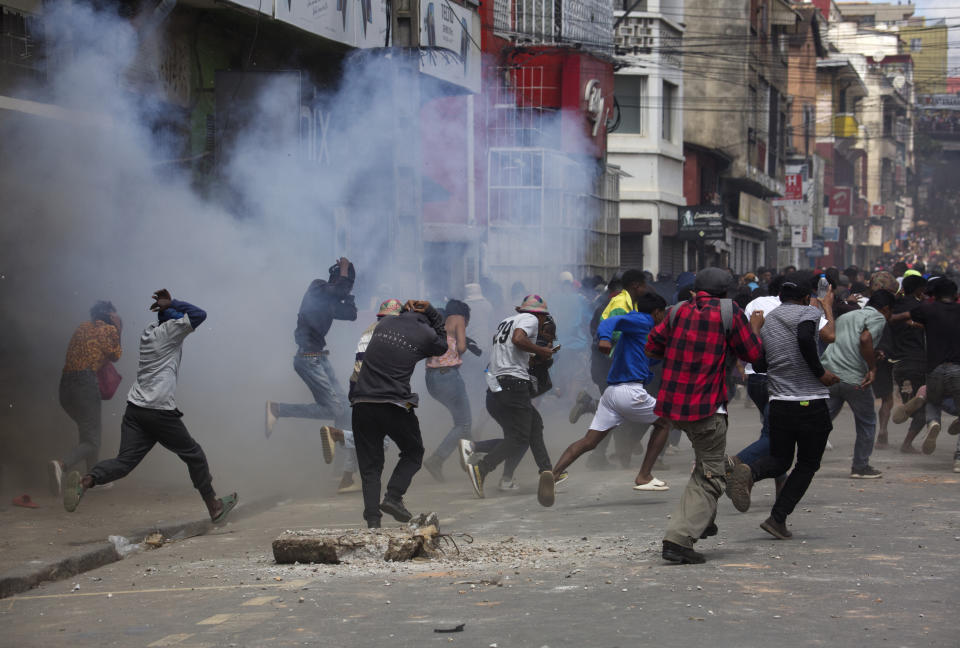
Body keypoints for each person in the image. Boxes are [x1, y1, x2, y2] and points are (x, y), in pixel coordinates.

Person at [62, 290, 237, 523]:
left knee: (124, 463)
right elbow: (199, 314)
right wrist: (173, 303)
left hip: (135, 409)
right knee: (194, 455)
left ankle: (87, 481)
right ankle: (213, 505)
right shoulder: (171, 331)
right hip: (159, 411)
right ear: (174, 321)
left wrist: (167, 308)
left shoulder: (148, 331)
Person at [645, 267, 764, 564]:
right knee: (711, 475)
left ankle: (705, 520)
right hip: (706, 407)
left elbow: (652, 346)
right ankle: (679, 540)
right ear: (726, 292)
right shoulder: (729, 312)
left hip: (674, 407)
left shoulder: (676, 312)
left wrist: (680, 354)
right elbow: (753, 353)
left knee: (705, 464)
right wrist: (755, 327)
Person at [727, 275, 841, 538]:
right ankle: (777, 519)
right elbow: (806, 337)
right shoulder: (807, 312)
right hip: (809, 401)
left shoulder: (769, 321)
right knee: (808, 464)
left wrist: (756, 330)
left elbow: (761, 364)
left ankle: (751, 472)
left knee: (780, 460)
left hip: (779, 404)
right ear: (804, 298)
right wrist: (820, 372)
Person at [545, 293, 672, 501]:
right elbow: (611, 321)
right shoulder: (643, 320)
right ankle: (644, 476)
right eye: (662, 314)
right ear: (657, 312)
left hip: (612, 393)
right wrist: (604, 340)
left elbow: (647, 359)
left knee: (589, 441)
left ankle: (554, 472)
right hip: (629, 391)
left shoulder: (643, 332)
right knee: (665, 422)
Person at [350, 300, 448, 528]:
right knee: (414, 451)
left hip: (362, 402)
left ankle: (373, 522)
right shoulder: (425, 334)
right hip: (394, 403)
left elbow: (359, 363)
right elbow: (442, 346)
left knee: (370, 466)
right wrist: (433, 313)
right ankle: (393, 497)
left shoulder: (383, 325)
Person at [465, 295, 556, 503]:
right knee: (519, 438)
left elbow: (511, 349)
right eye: (544, 318)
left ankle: (547, 471)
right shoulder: (531, 319)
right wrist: (541, 350)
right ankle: (482, 468)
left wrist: (533, 357)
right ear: (540, 315)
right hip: (514, 383)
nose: (543, 323)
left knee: (535, 424)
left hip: (497, 383)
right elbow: (518, 339)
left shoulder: (506, 321)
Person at [265, 257, 357, 439]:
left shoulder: (330, 302)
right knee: (336, 410)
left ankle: (342, 456)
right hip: (307, 358)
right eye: (347, 281)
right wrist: (345, 270)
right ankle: (278, 409)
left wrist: (349, 295)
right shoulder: (317, 287)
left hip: (318, 357)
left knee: (345, 409)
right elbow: (339, 290)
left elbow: (351, 314)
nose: (348, 286)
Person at [319, 298, 403, 495]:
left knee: (366, 434)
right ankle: (337, 434)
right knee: (381, 441)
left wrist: (353, 392)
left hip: (361, 390)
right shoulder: (392, 337)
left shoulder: (369, 333)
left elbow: (358, 366)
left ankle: (347, 479)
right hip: (381, 392)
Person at [570, 270, 648, 469]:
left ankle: (605, 454)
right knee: (618, 408)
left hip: (601, 366)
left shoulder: (603, 306)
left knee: (615, 408)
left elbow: (594, 332)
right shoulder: (620, 306)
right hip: (614, 367)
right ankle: (617, 451)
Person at [49, 301, 123, 495]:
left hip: (66, 386)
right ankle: (61, 464)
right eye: (115, 314)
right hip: (85, 384)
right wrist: (119, 328)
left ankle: (94, 479)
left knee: (89, 434)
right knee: (92, 440)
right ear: (109, 314)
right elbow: (116, 355)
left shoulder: (82, 327)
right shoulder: (108, 329)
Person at [821, 289, 895, 479]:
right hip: (854, 377)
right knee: (867, 422)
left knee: (821, 420)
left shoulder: (848, 315)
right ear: (885, 309)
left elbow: (849, 341)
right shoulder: (878, 318)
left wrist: (872, 353)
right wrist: (872, 368)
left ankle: (803, 458)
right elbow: (864, 339)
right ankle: (860, 466)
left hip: (830, 374)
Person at [910, 278, 960, 470]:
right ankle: (958, 459)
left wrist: (926, 299)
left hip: (935, 368)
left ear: (935, 295)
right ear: (955, 295)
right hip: (957, 368)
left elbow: (913, 313)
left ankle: (932, 422)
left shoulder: (928, 310)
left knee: (933, 399)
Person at [422, 299, 474, 482]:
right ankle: (437, 459)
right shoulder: (458, 319)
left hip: (431, 378)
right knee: (464, 423)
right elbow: (461, 347)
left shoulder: (436, 321)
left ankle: (469, 461)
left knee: (463, 423)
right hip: (448, 376)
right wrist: (462, 342)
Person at [883, 275, 928, 452]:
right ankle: (907, 444)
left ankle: (909, 405)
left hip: (898, 364)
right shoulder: (921, 309)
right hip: (918, 362)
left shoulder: (893, 307)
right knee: (925, 407)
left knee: (911, 402)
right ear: (919, 290)